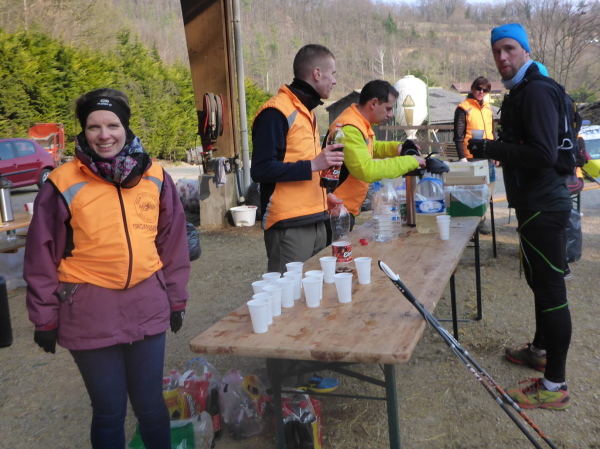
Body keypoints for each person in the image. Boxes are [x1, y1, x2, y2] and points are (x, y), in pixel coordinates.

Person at [24, 88, 191, 448]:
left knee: (151, 405)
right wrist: (44, 318)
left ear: (125, 128)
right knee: (109, 411)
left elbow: (173, 243)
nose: (104, 135)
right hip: (90, 311)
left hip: (147, 305)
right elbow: (40, 256)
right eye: (93, 127)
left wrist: (176, 299)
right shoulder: (62, 183)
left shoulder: (155, 176)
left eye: (112, 125)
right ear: (83, 131)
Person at [467, 23, 572, 410]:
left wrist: (490, 148)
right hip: (535, 204)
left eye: (509, 49)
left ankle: (554, 386)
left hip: (544, 205)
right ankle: (540, 350)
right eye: (497, 51)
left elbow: (543, 154)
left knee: (551, 291)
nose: (502, 57)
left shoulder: (536, 92)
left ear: (525, 51)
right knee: (538, 282)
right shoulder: (524, 90)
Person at [251, 44, 344, 274]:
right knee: (290, 294)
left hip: (317, 218)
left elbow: (300, 160)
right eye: (332, 74)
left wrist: (325, 195)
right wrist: (314, 164)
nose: (334, 81)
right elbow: (261, 170)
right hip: (289, 225)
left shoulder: (308, 111)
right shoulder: (275, 112)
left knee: (317, 290)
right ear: (317, 73)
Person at [328, 79, 425, 228]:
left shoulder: (359, 122)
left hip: (344, 209)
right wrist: (411, 161)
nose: (391, 115)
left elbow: (371, 147)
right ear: (373, 103)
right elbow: (367, 170)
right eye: (388, 109)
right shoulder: (350, 128)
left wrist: (397, 148)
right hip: (335, 211)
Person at [453, 76, 498, 234]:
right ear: (472, 89)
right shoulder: (463, 108)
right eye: (479, 88)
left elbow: (492, 132)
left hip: (488, 155)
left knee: (488, 189)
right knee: (474, 192)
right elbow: (458, 136)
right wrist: (462, 157)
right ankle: (475, 222)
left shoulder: (488, 108)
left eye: (485, 90)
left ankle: (481, 219)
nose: (481, 92)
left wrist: (496, 153)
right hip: (471, 157)